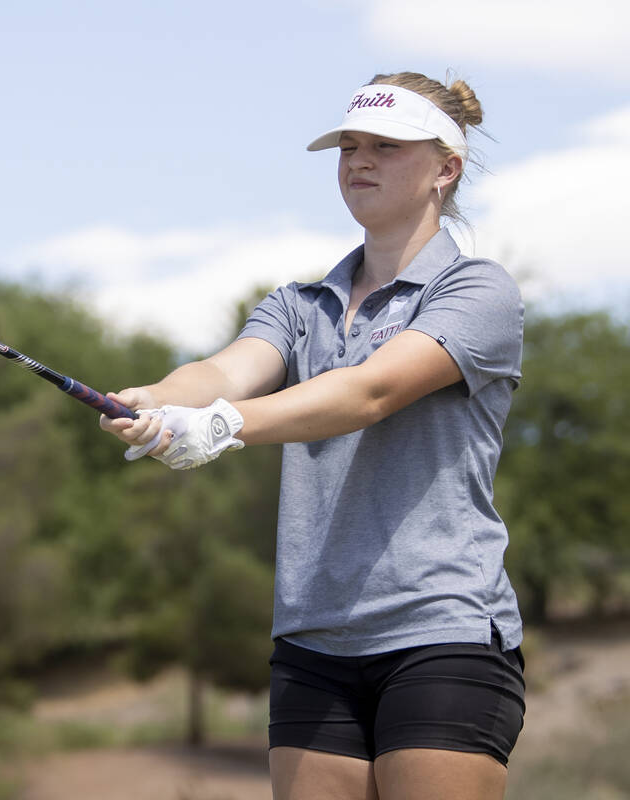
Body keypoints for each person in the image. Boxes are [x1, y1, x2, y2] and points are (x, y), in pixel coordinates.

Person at [100, 72, 526, 800]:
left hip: (440, 630)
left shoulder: (477, 291)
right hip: (313, 642)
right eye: (349, 146)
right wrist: (157, 400)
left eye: (386, 148)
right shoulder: (300, 305)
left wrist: (222, 425)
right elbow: (224, 372)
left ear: (445, 168)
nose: (359, 161)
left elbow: (370, 392)